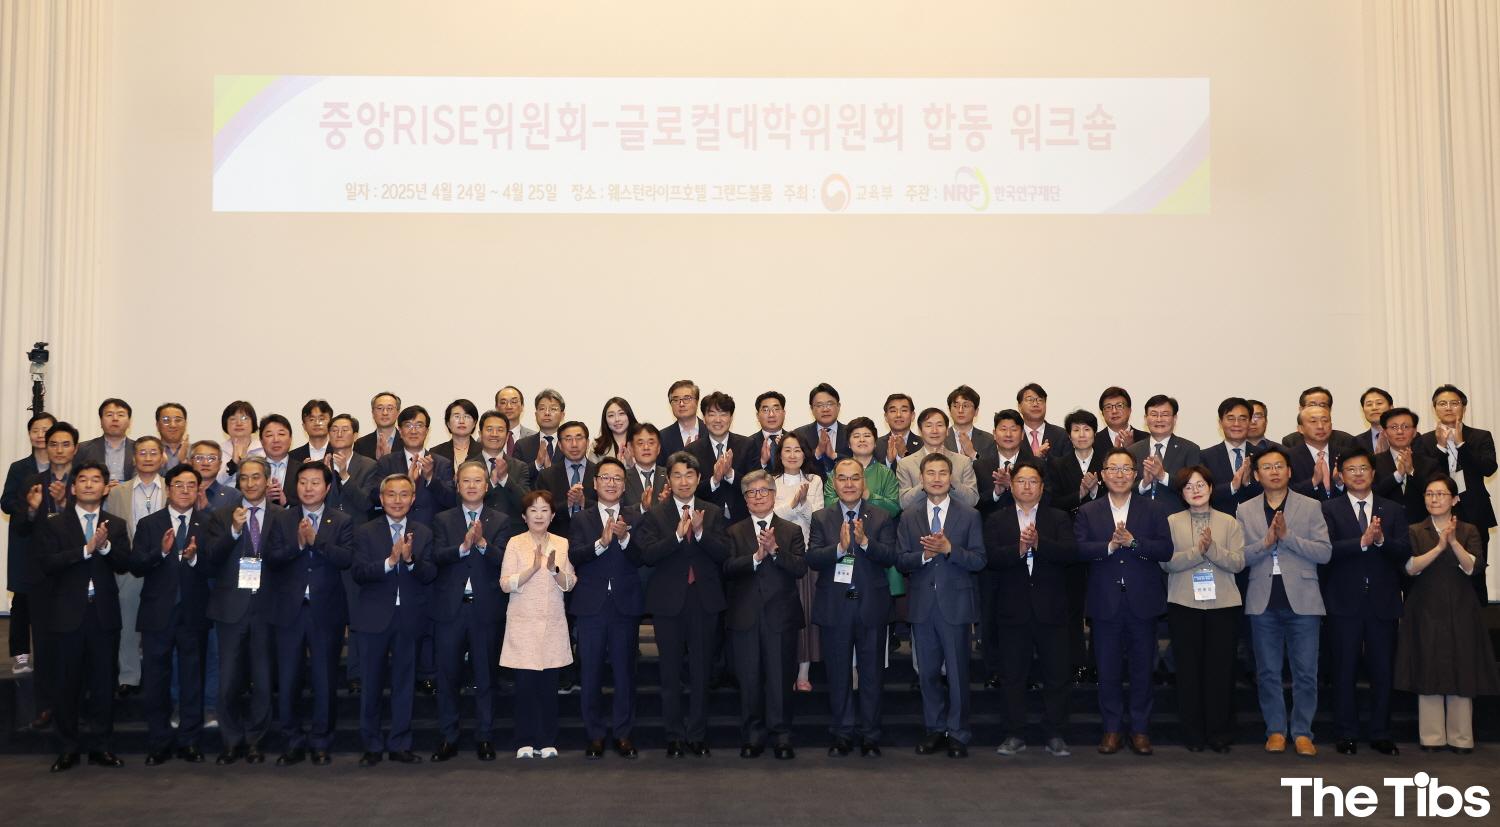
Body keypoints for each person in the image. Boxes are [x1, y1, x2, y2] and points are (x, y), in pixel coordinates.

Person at [1074, 448, 1172, 756]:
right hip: (1105, 603)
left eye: (1126, 469)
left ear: (1135, 474)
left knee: (1143, 670)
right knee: (1108, 670)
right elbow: (1079, 550)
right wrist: (1109, 546)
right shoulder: (1089, 511)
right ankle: (1112, 729)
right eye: (1113, 469)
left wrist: (1134, 543)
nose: (1119, 475)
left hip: (1143, 602)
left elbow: (1165, 549)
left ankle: (1140, 730)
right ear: (1102, 475)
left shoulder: (1153, 509)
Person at [36, 462, 131, 772]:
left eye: (96, 480)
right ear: (73, 488)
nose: (89, 484)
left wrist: (105, 548)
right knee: (66, 684)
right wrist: (87, 549)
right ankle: (68, 748)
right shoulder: (54, 524)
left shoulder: (116, 524)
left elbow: (124, 563)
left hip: (103, 615)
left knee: (104, 685)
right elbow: (47, 563)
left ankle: (102, 747)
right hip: (66, 616)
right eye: (83, 480)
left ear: (105, 488)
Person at [1237, 446, 1332, 758]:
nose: (1274, 471)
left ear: (1290, 471)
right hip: (1262, 600)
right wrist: (1266, 542)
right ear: (1257, 474)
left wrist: (1287, 536)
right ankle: (1276, 730)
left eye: (1279, 466)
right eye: (1267, 467)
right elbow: (1240, 558)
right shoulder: (1245, 510)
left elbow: (1324, 552)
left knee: (1306, 672)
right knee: (1267, 672)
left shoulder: (1310, 506)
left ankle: (1302, 732)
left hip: (1303, 600)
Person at [1394, 476, 1500, 754]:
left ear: (1454, 499)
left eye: (1441, 494)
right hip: (1425, 607)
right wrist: (1439, 547)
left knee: (1461, 666)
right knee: (1427, 665)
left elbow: (1473, 567)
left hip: (1462, 607)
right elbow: (1410, 567)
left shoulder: (1468, 530)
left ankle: (1461, 737)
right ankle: (1431, 737)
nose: (1434, 499)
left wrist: (1453, 543)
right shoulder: (1415, 530)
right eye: (1430, 494)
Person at [635, 451, 730, 758]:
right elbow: (648, 555)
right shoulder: (655, 514)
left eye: (689, 475)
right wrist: (677, 537)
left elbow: (724, 553)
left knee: (701, 672)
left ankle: (698, 735)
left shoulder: (712, 512)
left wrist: (700, 534)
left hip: (703, 600)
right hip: (668, 603)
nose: (683, 481)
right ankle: (674, 736)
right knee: (670, 672)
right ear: (669, 479)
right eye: (677, 475)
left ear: (699, 478)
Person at [263, 460, 355, 767]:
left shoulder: (341, 520)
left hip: (325, 612)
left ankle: (320, 741)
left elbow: (346, 558)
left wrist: (318, 542)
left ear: (327, 488)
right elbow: (272, 558)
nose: (308, 488)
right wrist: (299, 545)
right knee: (288, 678)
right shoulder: (282, 518)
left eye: (315, 482)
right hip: (289, 611)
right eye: (303, 482)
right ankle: (291, 740)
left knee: (324, 679)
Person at [985, 459, 1077, 758]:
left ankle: (1055, 732)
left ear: (1042, 486)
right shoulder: (997, 519)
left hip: (1052, 609)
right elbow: (990, 558)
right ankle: (1015, 733)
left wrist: (1039, 544)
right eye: (1021, 481)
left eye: (1033, 481)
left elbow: (1070, 554)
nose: (1027, 486)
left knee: (1057, 674)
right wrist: (1020, 549)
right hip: (1012, 609)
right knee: (1013, 675)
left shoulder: (1058, 518)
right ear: (1011, 486)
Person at [897, 452, 986, 758]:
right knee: (927, 674)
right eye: (930, 473)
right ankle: (934, 729)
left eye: (942, 473)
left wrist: (950, 550)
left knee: (958, 674)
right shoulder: (909, 516)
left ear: (952, 478)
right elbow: (901, 560)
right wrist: (924, 556)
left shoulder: (969, 515)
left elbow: (979, 560)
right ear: (921, 479)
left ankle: (958, 732)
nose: (936, 478)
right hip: (923, 606)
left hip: (956, 605)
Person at [129, 463, 220, 765]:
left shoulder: (208, 523)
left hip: (194, 613)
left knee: (193, 679)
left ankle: (189, 741)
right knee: (157, 680)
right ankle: (159, 742)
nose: (185, 490)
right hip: (158, 614)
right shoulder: (149, 524)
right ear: (168, 489)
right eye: (179, 485)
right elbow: (136, 565)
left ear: (198, 490)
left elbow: (215, 566)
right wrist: (162, 552)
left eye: (191, 485)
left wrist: (193, 559)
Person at [808, 458, 899, 757]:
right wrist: (838, 548)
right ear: (834, 483)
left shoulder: (881, 516)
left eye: (855, 478)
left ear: (864, 482)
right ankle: (842, 733)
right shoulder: (821, 517)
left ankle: (870, 735)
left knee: (872, 675)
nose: (849, 484)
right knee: (838, 675)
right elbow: (813, 558)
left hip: (871, 606)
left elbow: (891, 557)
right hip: (836, 607)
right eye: (843, 478)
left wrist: (865, 542)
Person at [1320, 449, 1410, 756]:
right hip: (1343, 600)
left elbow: (1404, 551)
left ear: (1373, 474)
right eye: (1351, 469)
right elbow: (1325, 550)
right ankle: (1345, 733)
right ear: (1341, 475)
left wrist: (1382, 541)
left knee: (1382, 671)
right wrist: (1361, 542)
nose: (1358, 474)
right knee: (1343, 670)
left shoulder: (1393, 509)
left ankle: (1381, 733)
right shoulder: (1328, 509)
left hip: (1383, 601)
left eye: (1363, 469)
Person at [350, 475, 437, 766]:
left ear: (413, 499)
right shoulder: (365, 531)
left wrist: (410, 561)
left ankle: (400, 743)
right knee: (371, 685)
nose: (397, 500)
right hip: (373, 618)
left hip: (409, 618)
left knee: (404, 684)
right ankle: (371, 745)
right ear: (381, 498)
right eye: (391, 494)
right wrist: (390, 562)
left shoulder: (423, 532)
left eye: (403, 495)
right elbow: (358, 573)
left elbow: (430, 574)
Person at [430, 461, 511, 762]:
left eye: (478, 481)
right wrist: (463, 548)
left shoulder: (500, 520)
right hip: (450, 610)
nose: (472, 486)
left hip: (484, 609)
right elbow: (436, 556)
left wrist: (483, 544)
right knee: (447, 676)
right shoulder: (443, 519)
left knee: (485, 676)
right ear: (457, 484)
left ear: (487, 486)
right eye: (466, 481)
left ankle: (485, 736)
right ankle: (448, 737)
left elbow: (504, 560)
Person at [724, 470, 808, 759]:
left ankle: (782, 736)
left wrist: (774, 551)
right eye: (752, 492)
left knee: (781, 679)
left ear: (774, 495)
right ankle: (753, 736)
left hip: (780, 617)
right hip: (745, 617)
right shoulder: (734, 531)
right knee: (749, 680)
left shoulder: (790, 530)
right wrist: (754, 558)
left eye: (763, 491)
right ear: (745, 499)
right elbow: (727, 568)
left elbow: (800, 568)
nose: (758, 497)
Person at [1162, 465, 1245, 753]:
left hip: (1223, 605)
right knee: (1188, 671)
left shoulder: (1229, 522)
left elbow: (1238, 563)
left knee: (1220, 671)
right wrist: (1198, 552)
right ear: (1181, 493)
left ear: (1211, 488)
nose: (1195, 490)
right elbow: (1167, 562)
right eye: (1188, 486)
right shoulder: (1172, 521)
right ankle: (1193, 733)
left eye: (1200, 485)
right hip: (1184, 604)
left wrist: (1212, 550)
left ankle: (1219, 732)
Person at [567, 457, 644, 759]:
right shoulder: (581, 519)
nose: (611, 483)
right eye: (605, 478)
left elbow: (643, 558)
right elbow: (575, 555)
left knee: (625, 673)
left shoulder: (635, 516)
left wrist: (624, 539)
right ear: (595, 483)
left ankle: (623, 733)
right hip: (591, 606)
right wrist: (600, 543)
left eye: (617, 479)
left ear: (625, 486)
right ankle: (595, 734)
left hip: (625, 605)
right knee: (590, 673)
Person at [206, 457, 278, 765]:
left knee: (263, 681)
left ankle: (255, 741)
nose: (250, 483)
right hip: (230, 609)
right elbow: (211, 558)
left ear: (267, 480)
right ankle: (231, 741)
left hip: (267, 608)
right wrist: (234, 531)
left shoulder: (282, 516)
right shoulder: (221, 516)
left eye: (256, 477)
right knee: (228, 682)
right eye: (244, 478)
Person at [499, 490, 576, 759]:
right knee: (525, 687)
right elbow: (505, 584)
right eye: (533, 510)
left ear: (553, 515)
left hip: (552, 624)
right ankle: (525, 741)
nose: (539, 515)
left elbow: (570, 584)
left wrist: (555, 570)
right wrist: (531, 569)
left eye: (545, 510)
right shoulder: (515, 543)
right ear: (524, 516)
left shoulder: (562, 543)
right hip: (523, 625)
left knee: (548, 688)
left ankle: (547, 740)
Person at [1415, 384, 1495, 604]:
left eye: (1454, 403)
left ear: (1464, 407)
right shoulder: (1424, 441)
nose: (1448, 407)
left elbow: (1489, 468)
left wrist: (1461, 444)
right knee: (1438, 570)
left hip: (1474, 512)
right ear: (1435, 409)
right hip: (1436, 513)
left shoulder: (1480, 436)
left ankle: (1479, 619)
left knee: (1475, 570)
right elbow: (1424, 476)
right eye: (1442, 403)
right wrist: (1441, 449)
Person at [103, 436, 167, 700]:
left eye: (153, 452)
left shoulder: (173, 487)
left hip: (164, 565)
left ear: (162, 457)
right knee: (127, 623)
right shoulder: (118, 492)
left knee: (161, 625)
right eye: (142, 452)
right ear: (134, 458)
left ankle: (158, 674)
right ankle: (129, 676)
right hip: (130, 565)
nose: (148, 457)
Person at [1047, 409, 1104, 685]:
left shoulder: (1107, 462)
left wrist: (1096, 491)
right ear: (1069, 435)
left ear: (1095, 433)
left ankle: (1098, 663)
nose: (1082, 435)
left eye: (1087, 429)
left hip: (1101, 541)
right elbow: (1051, 502)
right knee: (1072, 607)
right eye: (1076, 430)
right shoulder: (1057, 465)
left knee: (1100, 606)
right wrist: (1080, 494)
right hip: (1069, 543)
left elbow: (1119, 495)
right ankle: (1077, 663)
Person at [3, 412, 56, 681]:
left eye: (46, 429)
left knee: (54, 598)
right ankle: (21, 654)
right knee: (22, 599)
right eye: (35, 429)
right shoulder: (19, 467)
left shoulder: (64, 466)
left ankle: (51, 653)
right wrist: (30, 506)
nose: (40, 434)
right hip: (25, 539)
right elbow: (6, 502)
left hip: (54, 541)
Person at [770, 430, 824, 691]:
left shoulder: (814, 481)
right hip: (778, 554)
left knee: (806, 614)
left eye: (797, 450)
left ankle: (804, 673)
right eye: (787, 450)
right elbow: (769, 517)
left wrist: (800, 508)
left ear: (805, 454)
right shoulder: (771, 481)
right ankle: (783, 670)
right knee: (781, 616)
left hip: (806, 555)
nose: (792, 455)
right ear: (779, 455)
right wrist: (795, 504)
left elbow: (818, 519)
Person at [368, 405, 456, 527]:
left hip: (432, 531)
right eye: (408, 425)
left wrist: (430, 478)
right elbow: (374, 497)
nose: (413, 431)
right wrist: (405, 482)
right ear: (400, 431)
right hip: (395, 530)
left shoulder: (442, 463)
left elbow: (451, 500)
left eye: (419, 425)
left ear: (427, 431)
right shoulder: (386, 462)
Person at [1128, 394, 1201, 512]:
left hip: (1176, 516)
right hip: (1140, 515)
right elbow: (1124, 488)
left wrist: (1162, 476)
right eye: (1154, 414)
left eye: (1165, 414)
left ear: (1175, 418)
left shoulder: (1190, 449)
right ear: (1146, 419)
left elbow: (1194, 487)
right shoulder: (1133, 451)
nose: (1159, 419)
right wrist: (1144, 483)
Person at [688, 391, 752, 523]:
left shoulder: (747, 445)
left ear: (731, 417)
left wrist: (730, 474)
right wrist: (714, 480)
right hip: (706, 521)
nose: (718, 420)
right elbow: (690, 490)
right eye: (712, 414)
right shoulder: (692, 450)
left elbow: (754, 485)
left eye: (723, 414)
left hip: (742, 521)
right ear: (704, 418)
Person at [896, 408, 979, 510]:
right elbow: (904, 503)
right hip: (920, 518)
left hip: (955, 517)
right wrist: (925, 483)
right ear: (920, 431)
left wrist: (951, 480)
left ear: (947, 431)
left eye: (939, 425)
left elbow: (972, 500)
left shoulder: (963, 461)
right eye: (928, 426)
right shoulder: (906, 463)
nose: (934, 431)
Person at [533, 420, 597, 537]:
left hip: (594, 538)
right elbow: (540, 512)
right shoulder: (546, 476)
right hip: (557, 539)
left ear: (587, 442)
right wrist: (568, 503)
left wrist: (583, 502)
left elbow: (608, 507)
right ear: (560, 445)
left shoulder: (600, 473)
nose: (574, 444)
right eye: (568, 439)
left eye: (579, 438)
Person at [1373, 407, 1437, 518]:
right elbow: (1372, 494)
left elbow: (1434, 494)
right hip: (1386, 524)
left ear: (1414, 432)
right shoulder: (1373, 462)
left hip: (1421, 525)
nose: (1400, 432)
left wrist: (1411, 472)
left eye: (1406, 427)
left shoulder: (1429, 463)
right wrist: (1398, 475)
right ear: (1385, 432)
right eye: (1394, 427)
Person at [1200, 397, 1260, 516]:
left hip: (1255, 520)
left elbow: (1271, 492)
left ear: (1249, 422)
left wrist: (1248, 483)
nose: (1236, 424)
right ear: (1220, 422)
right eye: (1231, 418)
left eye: (1242, 419)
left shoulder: (1262, 455)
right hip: (1219, 521)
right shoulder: (1205, 456)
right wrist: (1232, 486)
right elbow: (1203, 493)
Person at [474, 410, 530, 520]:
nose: (494, 434)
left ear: (507, 436)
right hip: (478, 525)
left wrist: (505, 479)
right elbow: (462, 501)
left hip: (512, 529)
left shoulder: (520, 467)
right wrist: (491, 482)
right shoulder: (468, 466)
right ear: (480, 434)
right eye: (489, 429)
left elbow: (526, 504)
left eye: (500, 430)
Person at [974, 409, 1026, 516]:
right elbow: (975, 503)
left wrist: (1012, 486)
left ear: (1022, 434)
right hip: (991, 524)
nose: (1008, 434)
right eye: (1003, 429)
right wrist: (996, 493)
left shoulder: (1036, 465)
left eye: (1014, 429)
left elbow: (1046, 499)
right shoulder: (980, 466)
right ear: (994, 434)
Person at [794, 383, 851, 476]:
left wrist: (834, 455)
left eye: (830, 404)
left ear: (838, 406)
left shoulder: (851, 432)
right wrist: (818, 452)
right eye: (819, 405)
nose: (825, 409)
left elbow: (859, 461)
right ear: (812, 409)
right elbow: (795, 466)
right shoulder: (799, 435)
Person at [1282, 386, 1357, 456]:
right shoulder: (1291, 442)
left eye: (1323, 405)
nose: (1317, 409)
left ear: (1330, 410)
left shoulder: (1346, 440)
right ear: (1301, 409)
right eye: (1312, 405)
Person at [76, 398, 135, 484]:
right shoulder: (83, 449)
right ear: (101, 421)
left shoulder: (138, 449)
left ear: (129, 422)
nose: (115, 418)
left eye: (121, 415)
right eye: (109, 415)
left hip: (129, 492)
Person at [512, 388, 566, 479]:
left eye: (553, 409)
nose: (547, 413)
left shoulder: (570, 444)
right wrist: (537, 464)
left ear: (562, 415)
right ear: (536, 414)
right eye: (542, 408)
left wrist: (550, 470)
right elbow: (515, 477)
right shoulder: (522, 445)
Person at [1016, 383, 1067, 462]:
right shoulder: (1013, 435)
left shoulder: (1061, 435)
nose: (1035, 404)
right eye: (1030, 400)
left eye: (1040, 400)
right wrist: (1036, 458)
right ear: (1019, 407)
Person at [943, 385, 995, 460]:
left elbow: (989, 466)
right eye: (956, 406)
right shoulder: (941, 437)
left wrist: (973, 454)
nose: (960, 410)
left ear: (976, 411)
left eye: (966, 406)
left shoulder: (988, 440)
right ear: (950, 411)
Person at [217, 400, 263, 485]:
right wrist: (233, 464)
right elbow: (213, 483)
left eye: (244, 418)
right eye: (233, 419)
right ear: (225, 423)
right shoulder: (218, 451)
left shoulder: (263, 449)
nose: (239, 423)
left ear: (253, 422)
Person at [427, 398, 480, 472]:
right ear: (448, 423)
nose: (461, 421)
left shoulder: (483, 451)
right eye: (457, 416)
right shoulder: (436, 452)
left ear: (474, 423)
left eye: (467, 416)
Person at [658, 379, 705, 457]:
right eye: (676, 400)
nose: (681, 404)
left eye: (686, 398)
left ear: (697, 402)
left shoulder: (710, 431)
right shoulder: (662, 437)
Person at [258, 415, 297, 508]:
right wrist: (262, 500)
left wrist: (286, 503)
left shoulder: (302, 470)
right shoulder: (250, 470)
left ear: (290, 439)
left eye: (281, 434)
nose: (276, 440)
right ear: (261, 441)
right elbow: (240, 503)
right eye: (269, 435)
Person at [746, 391, 788, 473]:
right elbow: (745, 477)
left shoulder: (796, 441)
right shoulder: (748, 444)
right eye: (765, 410)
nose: (771, 414)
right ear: (757, 416)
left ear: (784, 413)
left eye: (776, 409)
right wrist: (762, 463)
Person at [876, 392, 921, 469]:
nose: (898, 415)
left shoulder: (923, 444)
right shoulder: (876, 445)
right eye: (893, 411)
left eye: (904, 410)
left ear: (912, 416)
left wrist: (905, 454)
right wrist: (888, 461)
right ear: (886, 417)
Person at [1094, 386, 1146, 452]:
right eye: (1108, 407)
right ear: (1102, 414)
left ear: (1129, 410)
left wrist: (1131, 448)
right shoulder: (1093, 441)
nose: (1114, 411)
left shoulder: (1146, 438)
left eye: (1119, 406)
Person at [588, 396, 638, 463]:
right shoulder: (596, 446)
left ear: (629, 415)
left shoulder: (641, 442)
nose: (617, 419)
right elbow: (592, 469)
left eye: (621, 413)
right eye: (611, 415)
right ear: (605, 420)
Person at [353, 392, 401, 460]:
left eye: (390, 408)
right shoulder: (360, 444)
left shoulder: (407, 442)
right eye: (380, 408)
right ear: (373, 413)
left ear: (398, 413)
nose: (385, 413)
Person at [288, 399, 334, 465]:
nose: (317, 423)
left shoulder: (340, 453)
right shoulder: (292, 457)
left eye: (321, 419)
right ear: (304, 426)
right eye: (311, 419)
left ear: (331, 423)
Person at [1356, 387, 1395, 455]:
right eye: (1369, 404)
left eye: (1379, 403)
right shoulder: (1357, 442)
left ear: (1391, 408)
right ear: (1363, 411)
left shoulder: (1408, 436)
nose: (1374, 408)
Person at [154, 403, 190, 469]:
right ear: (157, 425)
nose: (173, 425)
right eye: (166, 420)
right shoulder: (149, 453)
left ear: (185, 424)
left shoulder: (195, 452)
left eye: (178, 420)